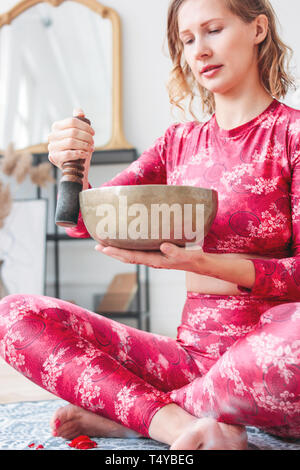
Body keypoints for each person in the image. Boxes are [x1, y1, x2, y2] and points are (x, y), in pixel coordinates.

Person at [0, 0, 300, 450]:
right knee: (13, 315)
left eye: (213, 30)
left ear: (258, 28)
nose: (199, 50)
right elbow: (86, 223)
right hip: (190, 357)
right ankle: (172, 424)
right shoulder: (177, 143)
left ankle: (138, 413)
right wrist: (73, 165)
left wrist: (211, 264)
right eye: (187, 39)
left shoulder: (291, 136)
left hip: (273, 357)